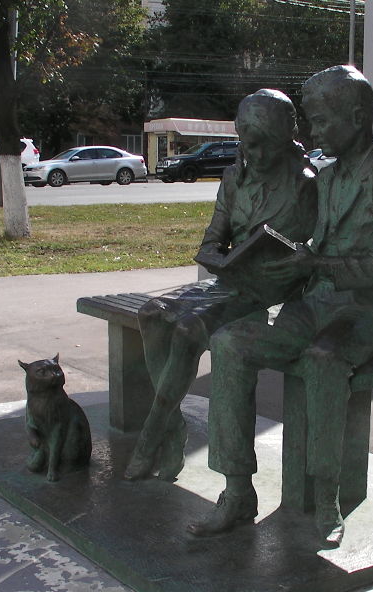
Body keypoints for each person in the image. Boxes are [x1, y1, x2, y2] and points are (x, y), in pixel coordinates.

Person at [188, 66, 373, 547]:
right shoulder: (327, 175)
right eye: (311, 122)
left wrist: (316, 263)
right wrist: (282, 262)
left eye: (322, 122)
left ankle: (326, 495)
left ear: (357, 117)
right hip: (315, 302)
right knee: (229, 342)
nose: (313, 133)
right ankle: (237, 489)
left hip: (366, 313)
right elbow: (315, 243)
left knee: (322, 358)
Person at [124, 89, 317, 481]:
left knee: (187, 329)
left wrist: (297, 258)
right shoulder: (234, 178)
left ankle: (151, 437)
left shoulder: (306, 185)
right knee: (151, 313)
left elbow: (314, 250)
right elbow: (213, 239)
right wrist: (216, 257)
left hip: (272, 293)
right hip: (230, 279)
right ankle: (172, 427)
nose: (253, 154)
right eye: (247, 144)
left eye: (262, 144)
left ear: (283, 139)